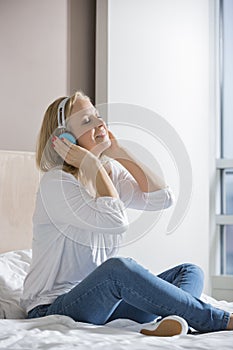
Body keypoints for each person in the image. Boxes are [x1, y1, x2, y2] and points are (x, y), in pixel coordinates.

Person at [20, 91, 233, 336]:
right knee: (117, 269)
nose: (101, 124)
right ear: (65, 139)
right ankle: (218, 319)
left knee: (189, 271)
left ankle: (174, 322)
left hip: (104, 304)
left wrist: (119, 151)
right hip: (53, 308)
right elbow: (116, 221)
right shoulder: (56, 183)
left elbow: (163, 198)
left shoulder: (109, 174)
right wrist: (91, 164)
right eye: (87, 121)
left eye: (98, 117)